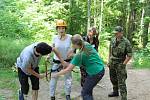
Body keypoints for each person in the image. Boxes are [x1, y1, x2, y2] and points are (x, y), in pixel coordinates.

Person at [51, 34, 105, 100]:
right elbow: (78, 53)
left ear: (75, 44)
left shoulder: (79, 56)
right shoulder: (86, 44)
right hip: (100, 69)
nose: (72, 46)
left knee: (85, 93)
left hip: (95, 73)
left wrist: (56, 74)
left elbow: (68, 69)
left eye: (72, 44)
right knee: (88, 90)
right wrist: (71, 52)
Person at [48, 19, 74, 100]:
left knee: (68, 79)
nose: (61, 30)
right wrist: (48, 55)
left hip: (67, 62)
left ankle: (67, 95)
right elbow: (52, 47)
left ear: (65, 29)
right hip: (56, 62)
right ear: (57, 29)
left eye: (63, 28)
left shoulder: (70, 37)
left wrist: (72, 53)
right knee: (53, 79)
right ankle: (52, 96)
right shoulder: (54, 37)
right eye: (59, 28)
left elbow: (74, 46)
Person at [108, 26, 132, 100]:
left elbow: (129, 55)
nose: (115, 34)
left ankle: (124, 97)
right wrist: (109, 60)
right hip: (112, 62)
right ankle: (115, 92)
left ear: (121, 33)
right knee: (113, 79)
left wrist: (123, 64)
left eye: (117, 33)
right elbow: (110, 51)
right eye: (115, 33)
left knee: (121, 82)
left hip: (120, 63)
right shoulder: (112, 40)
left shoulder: (126, 42)